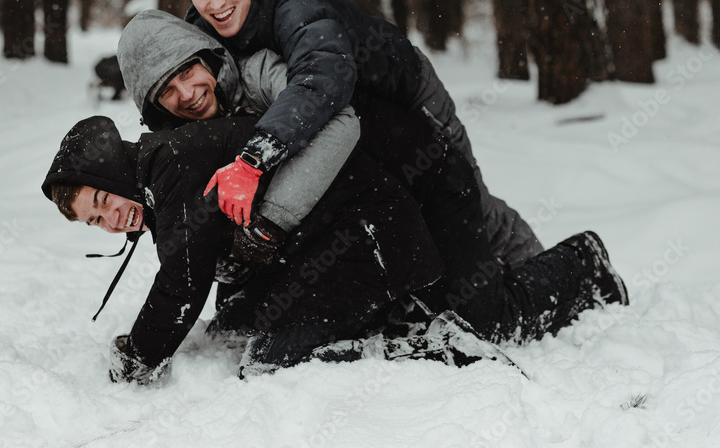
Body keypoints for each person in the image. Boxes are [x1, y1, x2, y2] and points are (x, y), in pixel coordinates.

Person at [41, 114, 628, 383]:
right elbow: (200, 264)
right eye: (96, 224)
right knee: (243, 324)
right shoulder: (164, 174)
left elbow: (183, 276)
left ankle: (581, 266)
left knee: (274, 357)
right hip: (340, 242)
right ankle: (406, 320)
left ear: (109, 170)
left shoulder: (173, 165)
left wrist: (141, 356)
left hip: (370, 236)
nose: (110, 222)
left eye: (101, 203)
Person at [177, 0, 543, 269]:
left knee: (463, 194)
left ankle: (536, 263)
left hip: (408, 91)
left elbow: (320, 77)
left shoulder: (293, 3)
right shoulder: (201, 29)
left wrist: (253, 160)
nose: (215, 2)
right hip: (360, 116)